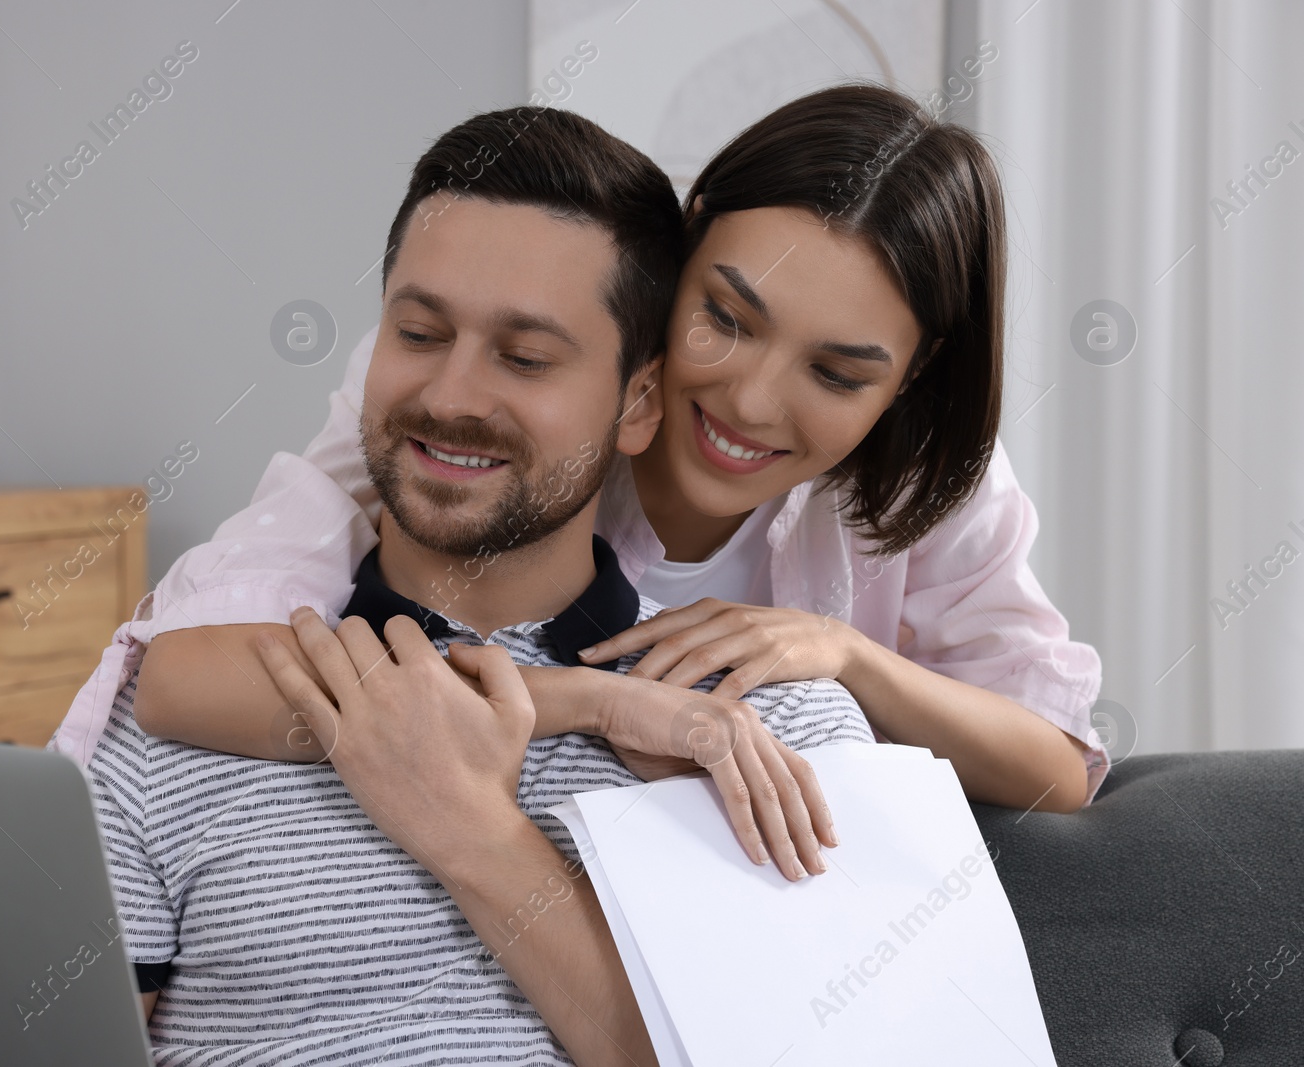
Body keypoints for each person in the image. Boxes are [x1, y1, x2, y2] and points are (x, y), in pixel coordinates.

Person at [54, 82, 1107, 819]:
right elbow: (185, 672)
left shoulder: (924, 482)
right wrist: (601, 702)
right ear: (686, 249)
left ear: (909, 377)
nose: (746, 396)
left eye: (836, 373)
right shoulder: (483, 411)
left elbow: (1058, 762)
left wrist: (842, 652)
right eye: (726, 318)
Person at [81, 106, 874, 1062]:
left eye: (525, 357)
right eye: (419, 332)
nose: (451, 396)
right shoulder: (185, 699)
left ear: (639, 402)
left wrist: (472, 828)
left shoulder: (772, 729)